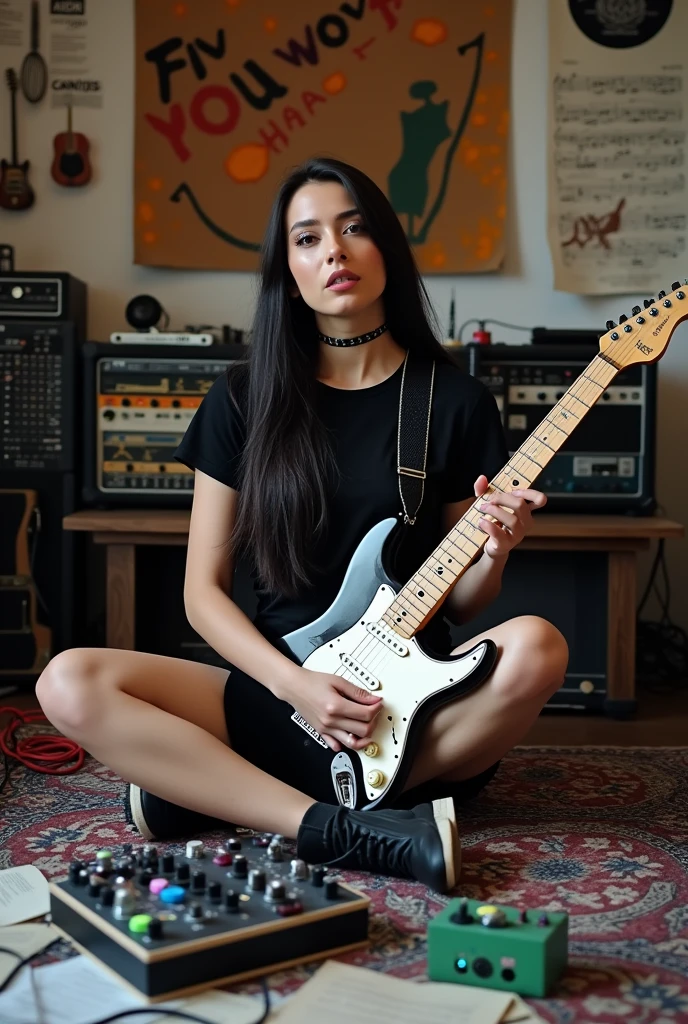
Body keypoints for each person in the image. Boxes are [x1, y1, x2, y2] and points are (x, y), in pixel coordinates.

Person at [36, 157, 568, 893]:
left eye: (354, 230)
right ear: (289, 270)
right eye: (308, 238)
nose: (335, 253)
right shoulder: (243, 398)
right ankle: (339, 825)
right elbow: (203, 594)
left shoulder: (455, 401)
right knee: (68, 682)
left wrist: (495, 553)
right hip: (275, 682)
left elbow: (468, 604)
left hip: (406, 710)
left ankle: (218, 789)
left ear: (386, 246)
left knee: (538, 647)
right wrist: (296, 687)